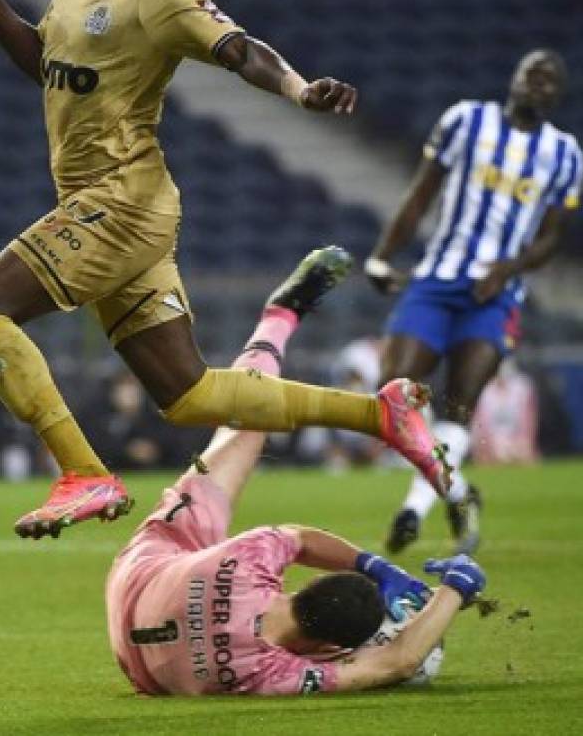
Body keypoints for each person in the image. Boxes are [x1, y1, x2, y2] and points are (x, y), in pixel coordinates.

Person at [0, 0, 450, 537]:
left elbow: (240, 50)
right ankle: (379, 415)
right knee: (189, 394)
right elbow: (44, 64)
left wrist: (298, 90)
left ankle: (83, 472)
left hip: (122, 203)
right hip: (114, 204)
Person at [106, 264, 486, 696]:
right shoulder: (267, 671)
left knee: (248, 416)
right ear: (327, 643)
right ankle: (367, 408)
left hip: (145, 570)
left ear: (308, 584)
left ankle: (280, 316)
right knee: (248, 412)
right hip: (136, 655)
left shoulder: (249, 563)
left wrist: (390, 571)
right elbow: (393, 664)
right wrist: (449, 594)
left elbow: (300, 539)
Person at [364, 49, 583, 554]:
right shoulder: (466, 120)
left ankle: (414, 508)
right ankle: (461, 493)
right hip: (437, 279)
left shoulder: (566, 154)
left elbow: (552, 238)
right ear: (515, 77)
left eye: (551, 81)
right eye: (533, 73)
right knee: (390, 397)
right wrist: (381, 256)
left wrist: (509, 268)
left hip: (496, 293)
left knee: (459, 406)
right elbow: (421, 193)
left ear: (558, 96)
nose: (539, 84)